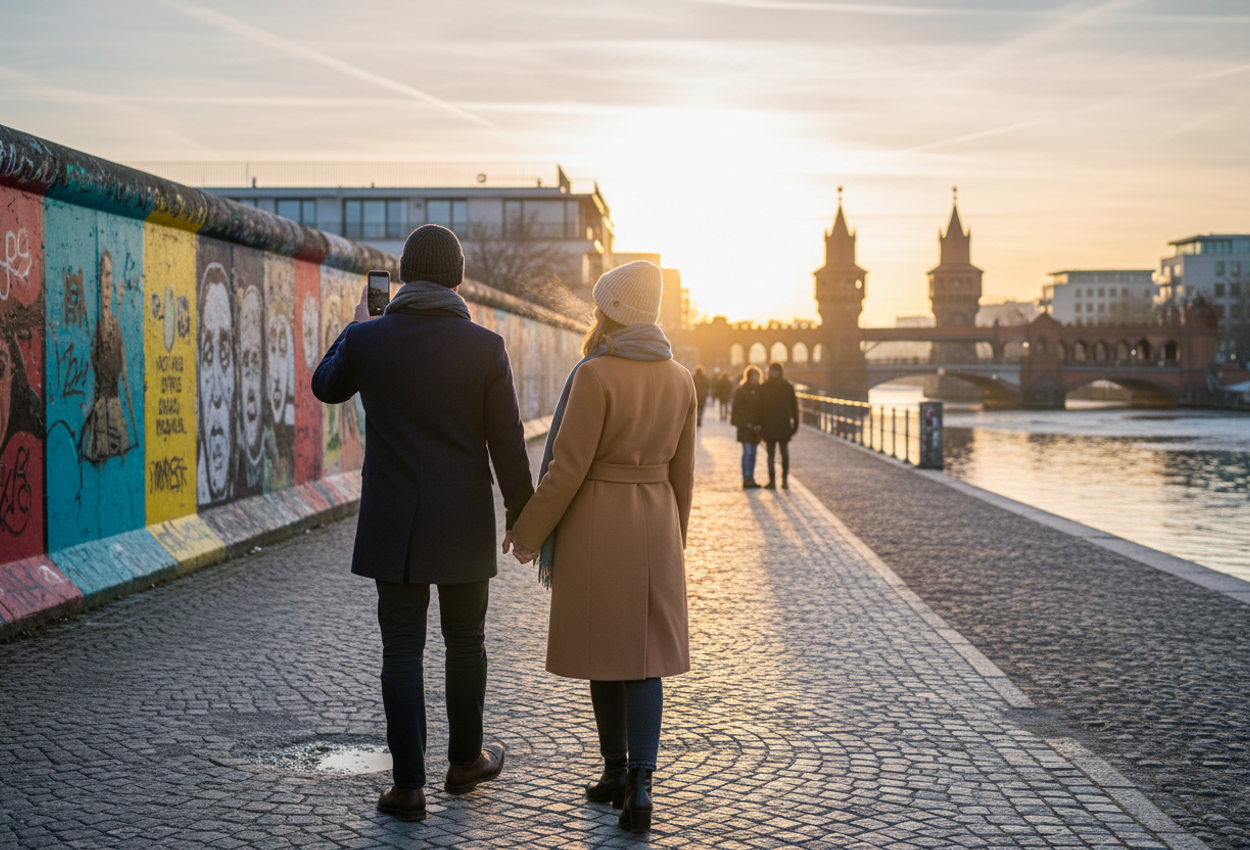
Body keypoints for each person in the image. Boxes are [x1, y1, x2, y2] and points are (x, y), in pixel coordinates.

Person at [311, 224, 534, 823]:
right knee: (467, 643)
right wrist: (522, 517)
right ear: (458, 278)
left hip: (394, 522)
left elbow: (323, 386)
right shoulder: (485, 347)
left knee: (402, 650)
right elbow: (506, 443)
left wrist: (357, 324)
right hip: (462, 519)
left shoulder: (369, 339)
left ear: (404, 276)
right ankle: (465, 761)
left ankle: (408, 788)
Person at [506, 261, 696, 834]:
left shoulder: (595, 375)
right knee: (643, 660)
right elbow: (683, 477)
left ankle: (615, 769)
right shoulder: (681, 378)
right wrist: (673, 541)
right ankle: (639, 783)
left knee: (604, 652)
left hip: (598, 527)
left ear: (613, 310)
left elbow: (566, 471)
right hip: (656, 522)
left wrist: (529, 533)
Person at [759, 361, 799, 490]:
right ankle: (778, 480)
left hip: (773, 425)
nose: (773, 373)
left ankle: (779, 481)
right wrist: (795, 425)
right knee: (777, 454)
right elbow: (794, 408)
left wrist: (796, 423)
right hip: (779, 425)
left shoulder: (765, 387)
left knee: (778, 454)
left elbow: (794, 408)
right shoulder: (787, 386)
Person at [731, 366, 762, 489]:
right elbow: (737, 410)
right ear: (748, 377)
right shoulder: (741, 391)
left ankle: (751, 478)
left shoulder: (760, 391)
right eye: (754, 377)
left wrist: (759, 424)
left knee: (753, 453)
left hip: (756, 428)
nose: (756, 379)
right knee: (748, 452)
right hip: (745, 428)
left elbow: (762, 409)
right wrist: (745, 423)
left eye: (757, 377)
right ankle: (746, 477)